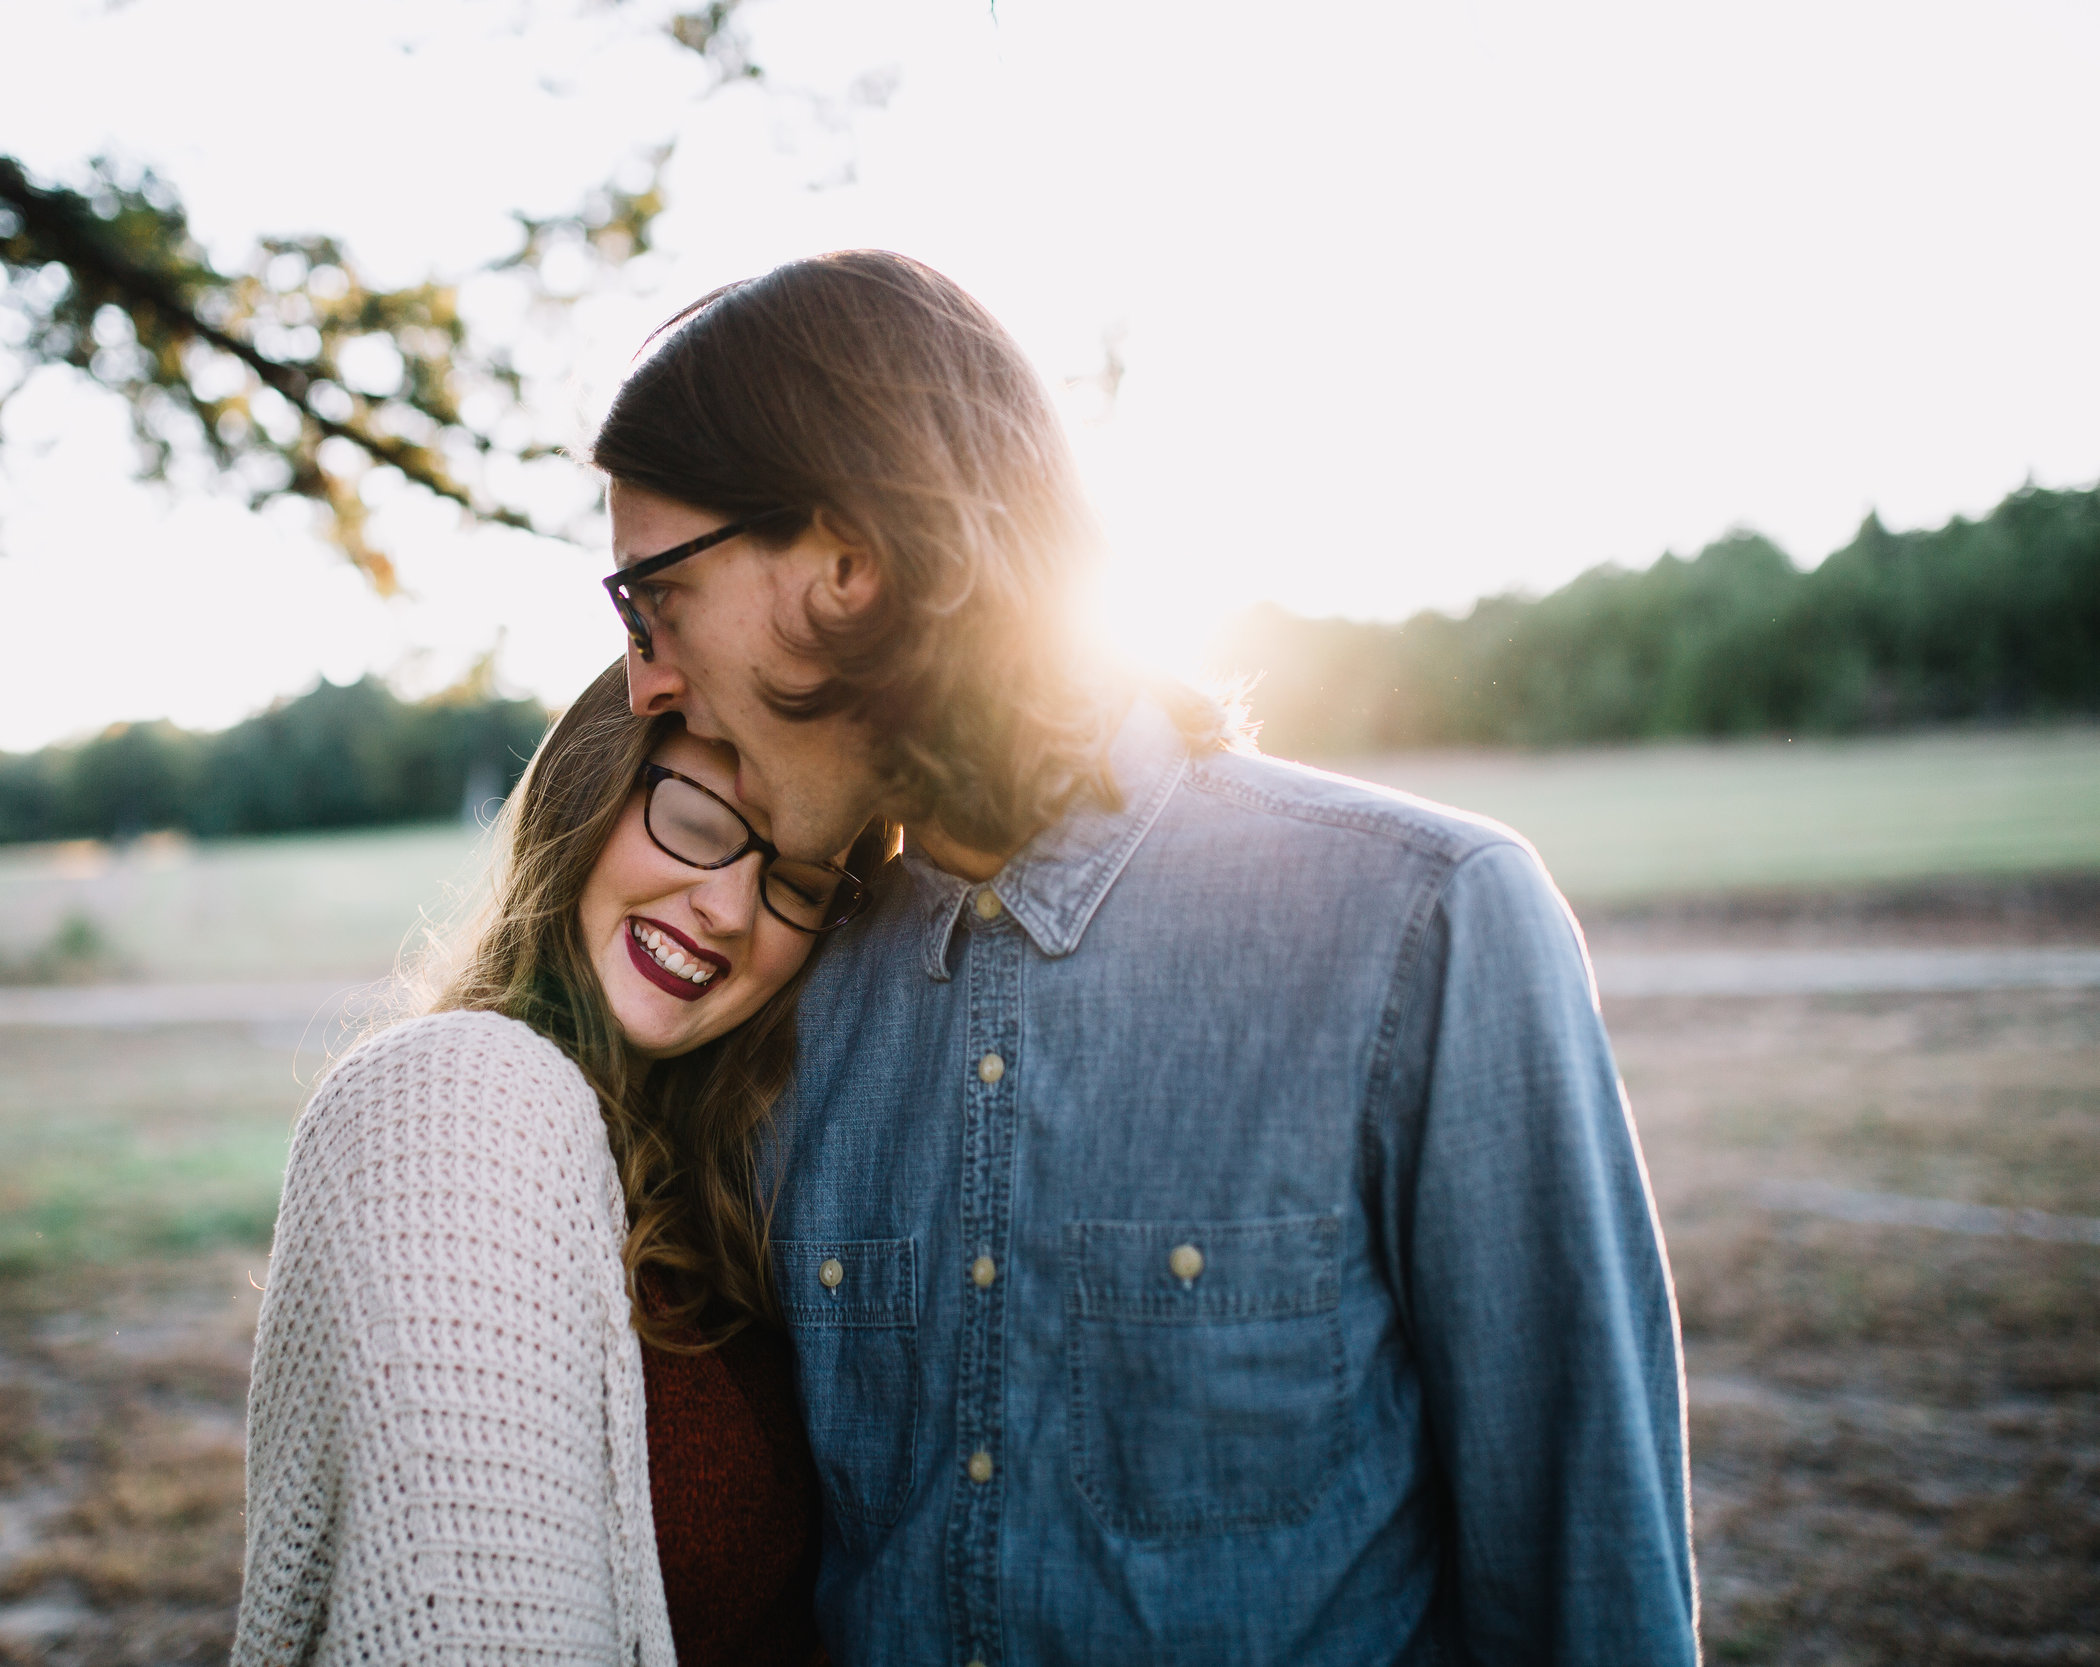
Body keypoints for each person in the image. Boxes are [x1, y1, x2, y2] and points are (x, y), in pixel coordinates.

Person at [591, 250, 1700, 1664]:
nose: (643, 681)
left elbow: (1590, 1602)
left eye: (651, 601)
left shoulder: (1428, 925)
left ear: (847, 559)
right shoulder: (785, 1008)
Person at [233, 662, 880, 1666]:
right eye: (699, 821)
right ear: (591, 786)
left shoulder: (729, 1178)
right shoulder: (454, 1095)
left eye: (795, 881)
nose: (728, 909)